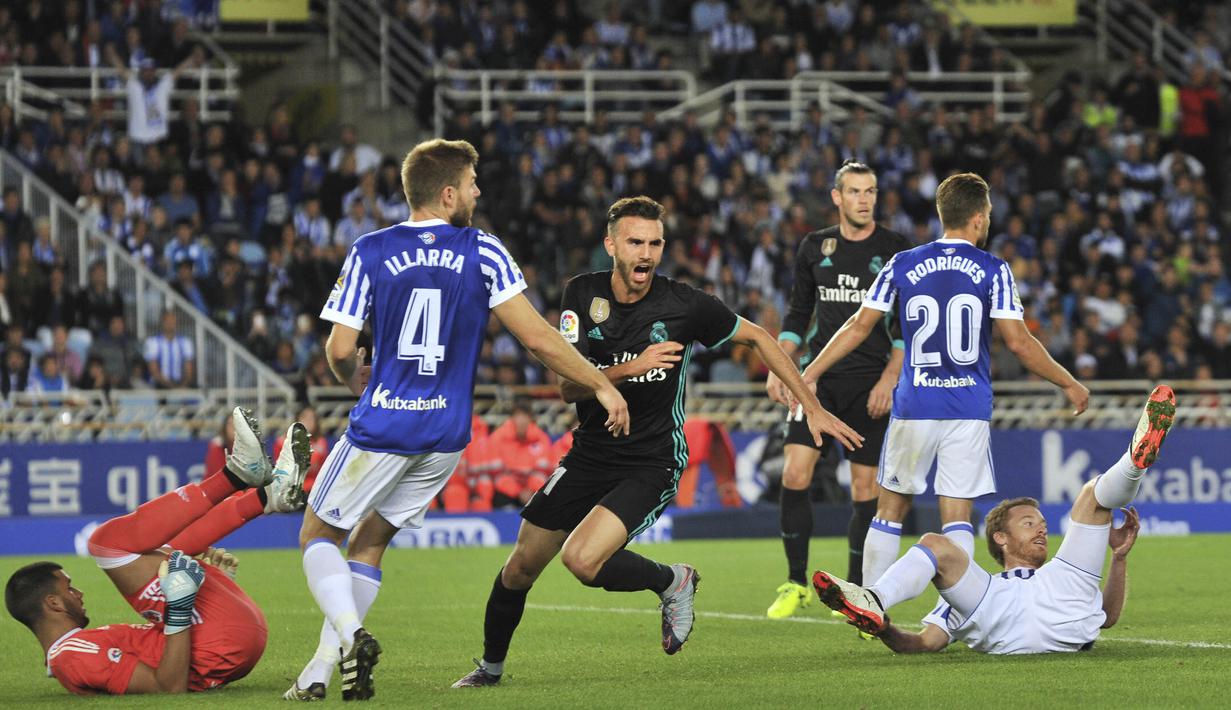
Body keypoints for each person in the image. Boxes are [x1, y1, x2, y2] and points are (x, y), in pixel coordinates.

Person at [451, 196, 864, 689]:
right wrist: (632, 367)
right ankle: (490, 670)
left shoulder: (684, 304)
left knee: (582, 561)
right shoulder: (581, 295)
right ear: (611, 245)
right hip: (589, 452)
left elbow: (758, 338)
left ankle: (671, 582)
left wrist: (811, 405)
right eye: (634, 242)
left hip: (652, 459)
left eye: (654, 243)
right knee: (520, 566)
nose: (645, 253)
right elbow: (567, 387)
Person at [289, 138, 629, 702]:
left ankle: (351, 638)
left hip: (385, 425)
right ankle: (320, 670)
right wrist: (598, 382)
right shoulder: (484, 251)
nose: (478, 192)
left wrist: (357, 383)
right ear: (448, 194)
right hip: (446, 435)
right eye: (472, 184)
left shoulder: (370, 250)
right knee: (370, 542)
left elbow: (341, 346)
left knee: (317, 533)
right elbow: (539, 338)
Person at [800, 172, 1089, 591]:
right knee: (956, 518)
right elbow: (1019, 343)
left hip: (914, 405)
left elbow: (858, 326)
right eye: (987, 214)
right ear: (977, 217)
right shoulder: (994, 269)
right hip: (967, 409)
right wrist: (1068, 382)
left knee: (888, 512)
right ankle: (958, 616)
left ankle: (869, 606)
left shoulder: (903, 263)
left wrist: (811, 371)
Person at [813, 385, 1172, 654]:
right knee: (936, 545)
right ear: (1000, 537)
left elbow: (1106, 618)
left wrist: (1120, 559)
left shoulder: (1064, 575)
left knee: (1092, 496)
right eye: (1029, 522)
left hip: (1061, 596)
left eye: (1042, 522)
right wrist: (885, 630)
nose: (1043, 527)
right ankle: (874, 599)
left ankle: (1134, 462)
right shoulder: (976, 591)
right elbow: (924, 643)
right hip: (994, 603)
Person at [4, 407, 310, 695]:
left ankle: (268, 496)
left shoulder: (77, 649)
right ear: (53, 603)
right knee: (105, 543)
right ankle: (237, 476)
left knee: (160, 549)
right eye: (69, 587)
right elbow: (167, 686)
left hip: (222, 638)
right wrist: (178, 605)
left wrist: (212, 589)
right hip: (215, 642)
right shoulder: (71, 657)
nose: (79, 593)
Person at [765, 161, 910, 619]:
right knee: (794, 473)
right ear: (837, 197)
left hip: (870, 386)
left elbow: (907, 328)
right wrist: (780, 363)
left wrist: (890, 379)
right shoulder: (814, 246)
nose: (864, 199)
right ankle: (795, 583)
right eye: (855, 191)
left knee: (865, 486)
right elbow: (797, 314)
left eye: (870, 191)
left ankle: (853, 590)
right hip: (817, 382)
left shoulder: (895, 250)